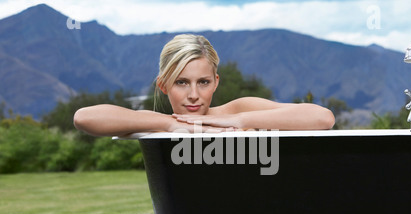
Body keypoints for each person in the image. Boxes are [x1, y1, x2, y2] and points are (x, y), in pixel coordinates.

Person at [73, 34, 335, 136]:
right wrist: (168, 124)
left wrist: (240, 121)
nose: (194, 95)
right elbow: (84, 118)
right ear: (163, 85)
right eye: (182, 83)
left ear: (215, 83)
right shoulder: (158, 121)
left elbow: (322, 118)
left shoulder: (239, 110)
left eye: (203, 82)